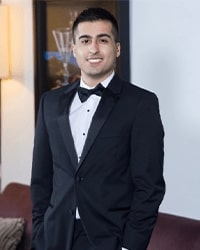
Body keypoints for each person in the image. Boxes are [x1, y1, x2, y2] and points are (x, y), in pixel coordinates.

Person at [30, 7, 165, 250]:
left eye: (103, 40)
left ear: (117, 48)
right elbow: (41, 178)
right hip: (53, 237)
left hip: (109, 240)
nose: (93, 48)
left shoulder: (141, 104)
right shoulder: (49, 103)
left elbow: (149, 186)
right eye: (85, 40)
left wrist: (130, 245)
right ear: (74, 50)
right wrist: (40, 229)